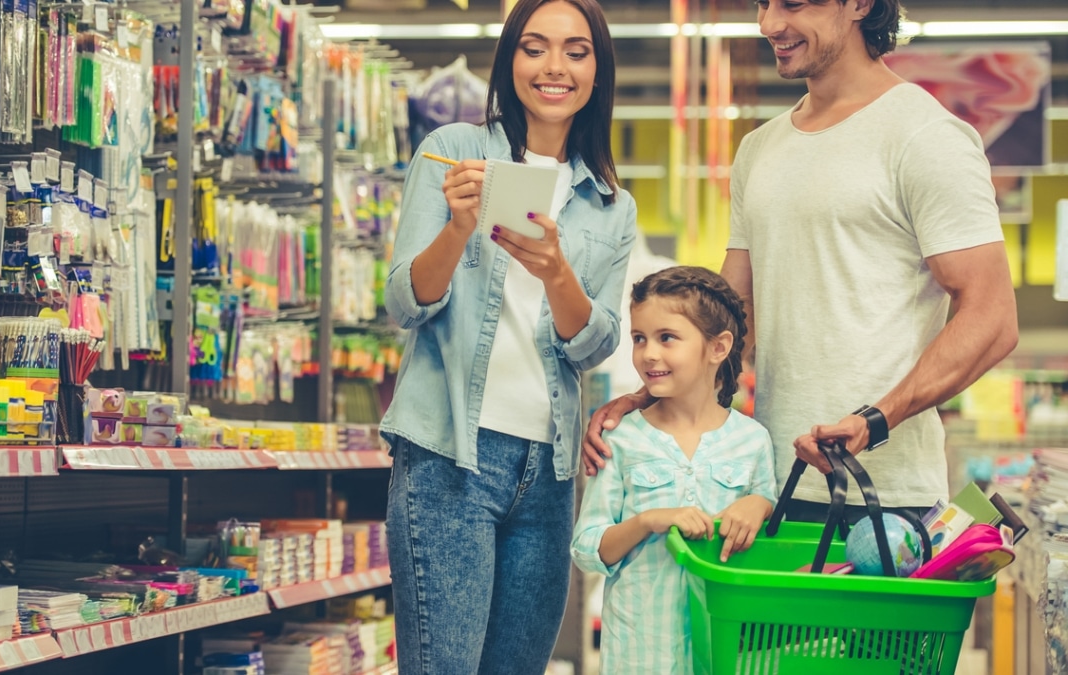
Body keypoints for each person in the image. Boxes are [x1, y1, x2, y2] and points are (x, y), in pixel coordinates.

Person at [583, 0, 1018, 526]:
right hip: (767, 487)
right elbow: (727, 316)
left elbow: (993, 318)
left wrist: (875, 421)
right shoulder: (761, 149)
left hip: (884, 498)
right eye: (763, 4)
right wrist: (652, 397)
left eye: (793, 4)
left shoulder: (925, 136)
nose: (769, 24)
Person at [380, 0, 637, 671]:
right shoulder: (453, 150)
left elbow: (597, 342)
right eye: (535, 47)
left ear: (597, 70)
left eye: (576, 51)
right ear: (509, 60)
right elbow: (405, 301)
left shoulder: (611, 204)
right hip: (448, 458)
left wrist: (557, 273)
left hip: (549, 473)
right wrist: (458, 228)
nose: (555, 67)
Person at [571, 266, 776, 674]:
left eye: (667, 338)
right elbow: (587, 548)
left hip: (726, 653)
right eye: (639, 338)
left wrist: (760, 504)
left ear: (718, 348)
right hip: (640, 654)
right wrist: (649, 521)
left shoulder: (752, 441)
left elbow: (765, 517)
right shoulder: (622, 440)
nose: (649, 353)